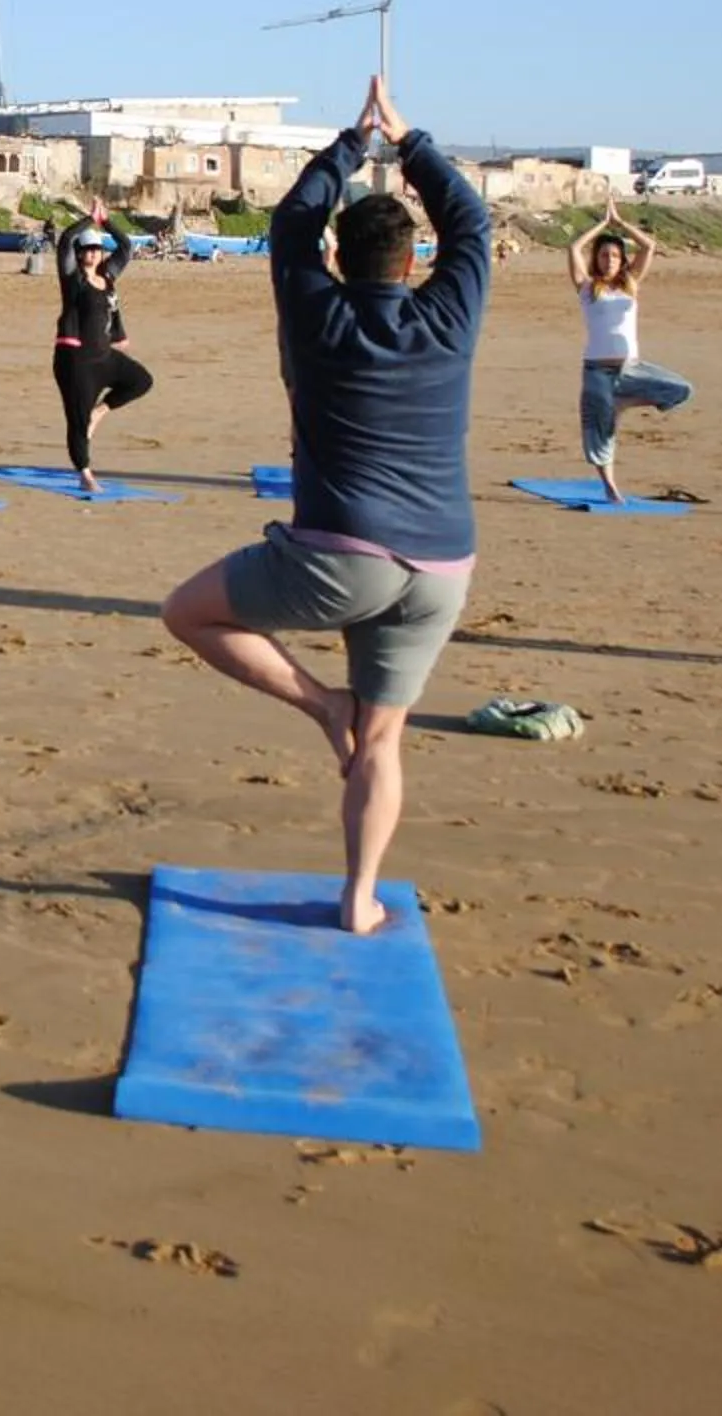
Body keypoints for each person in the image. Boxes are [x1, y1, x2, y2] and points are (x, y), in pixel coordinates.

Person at [160, 74, 489, 936]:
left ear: (341, 258)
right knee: (386, 742)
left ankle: (320, 706)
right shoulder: (451, 315)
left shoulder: (315, 311)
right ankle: (359, 896)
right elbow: (472, 224)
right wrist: (408, 142)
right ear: (412, 261)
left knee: (188, 613)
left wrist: (351, 144)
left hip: (340, 557)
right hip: (445, 564)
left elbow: (292, 223)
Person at [568, 201, 691, 503]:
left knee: (681, 389)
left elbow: (649, 245)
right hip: (597, 370)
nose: (608, 259)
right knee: (600, 432)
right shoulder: (586, 287)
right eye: (603, 255)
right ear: (596, 259)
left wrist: (619, 224)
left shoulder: (630, 284)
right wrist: (601, 224)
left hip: (630, 368)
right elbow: (573, 248)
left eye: (614, 255)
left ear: (621, 259)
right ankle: (609, 485)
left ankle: (623, 403)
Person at [52, 198, 152, 493]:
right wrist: (89, 218)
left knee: (141, 381)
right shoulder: (72, 279)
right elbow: (66, 240)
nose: (93, 255)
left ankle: (100, 411)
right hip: (75, 361)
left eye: (97, 249)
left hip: (104, 357)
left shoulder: (108, 277)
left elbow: (126, 247)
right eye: (87, 250)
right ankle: (84, 473)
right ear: (80, 254)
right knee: (77, 419)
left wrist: (106, 221)